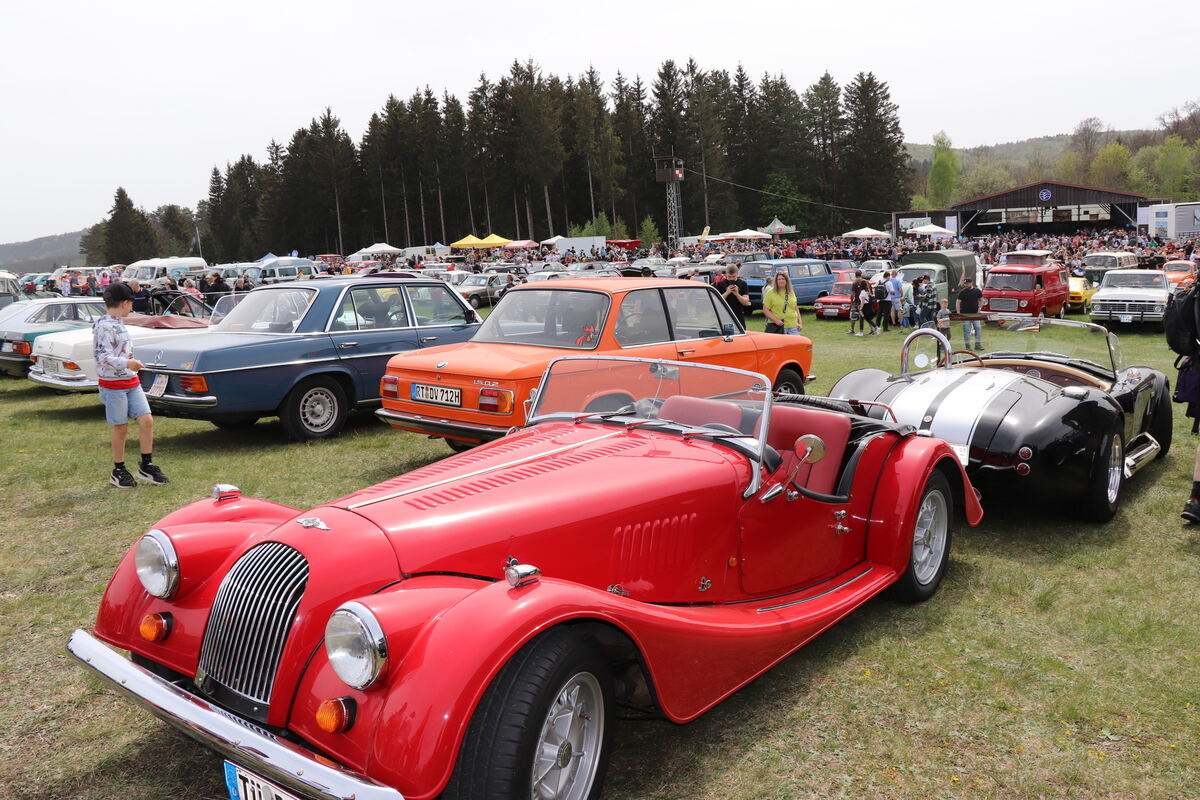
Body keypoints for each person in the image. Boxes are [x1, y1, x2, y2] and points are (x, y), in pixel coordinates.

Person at [93, 282, 169, 488]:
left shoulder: (117, 322)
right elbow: (104, 358)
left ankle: (147, 465)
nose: (132, 308)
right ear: (125, 303)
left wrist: (130, 364)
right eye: (131, 304)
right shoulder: (104, 326)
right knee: (121, 428)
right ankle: (118, 470)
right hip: (113, 385)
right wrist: (129, 363)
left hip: (131, 381)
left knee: (147, 421)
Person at [956, 276, 984, 350]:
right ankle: (968, 347)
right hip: (965, 315)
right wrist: (958, 313)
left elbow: (982, 299)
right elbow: (958, 302)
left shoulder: (977, 291)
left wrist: (980, 308)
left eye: (967, 283)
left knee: (978, 328)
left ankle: (977, 345)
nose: (966, 285)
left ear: (971, 283)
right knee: (966, 331)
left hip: (975, 314)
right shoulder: (962, 292)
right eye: (965, 283)